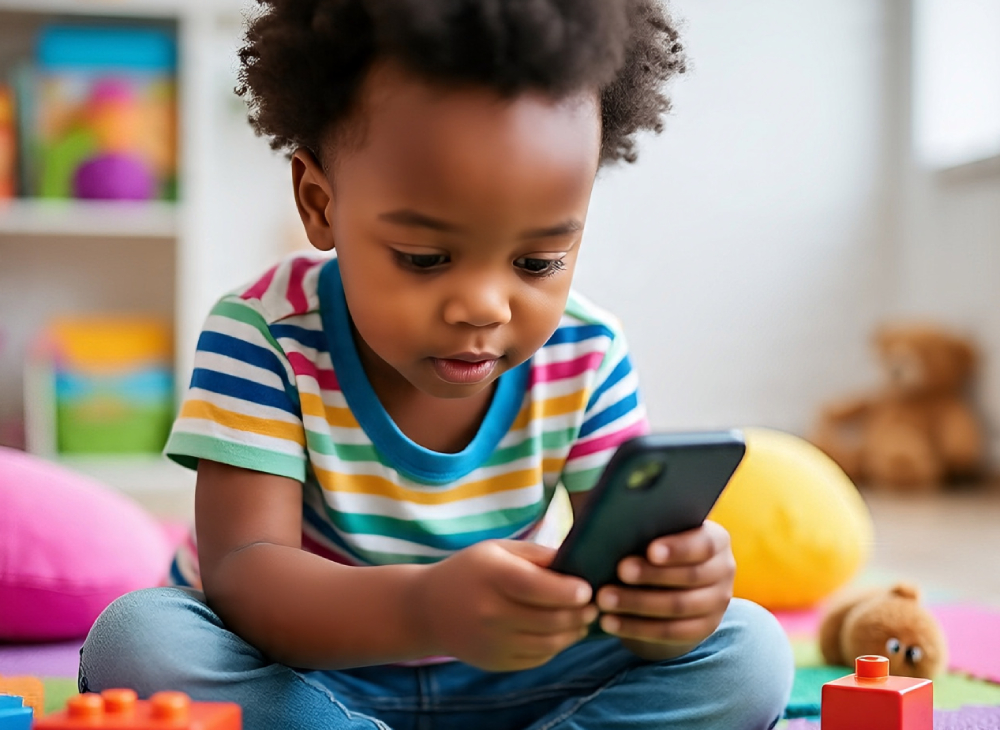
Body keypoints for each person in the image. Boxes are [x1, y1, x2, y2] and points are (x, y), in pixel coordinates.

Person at [79, 1, 794, 728]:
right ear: (320, 203)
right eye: (426, 258)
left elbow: (608, 581)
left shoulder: (587, 354)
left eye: (537, 261)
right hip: (307, 676)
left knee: (749, 650)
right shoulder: (265, 337)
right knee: (140, 642)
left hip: (509, 674)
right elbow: (244, 578)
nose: (484, 306)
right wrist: (424, 609)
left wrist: (672, 598)